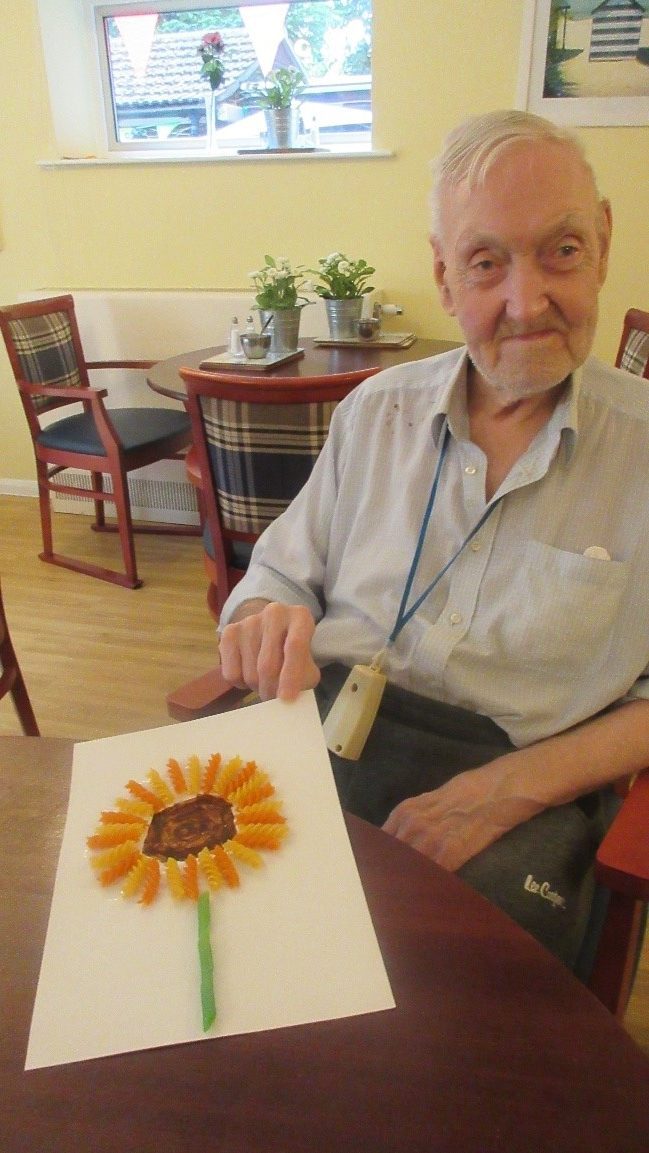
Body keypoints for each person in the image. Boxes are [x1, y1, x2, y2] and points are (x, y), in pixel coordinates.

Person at [217, 109, 649, 968]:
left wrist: (505, 791)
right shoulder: (372, 413)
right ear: (444, 276)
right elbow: (279, 575)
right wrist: (265, 616)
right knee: (212, 938)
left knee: (449, 991)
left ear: (602, 244)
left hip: (526, 784)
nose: (525, 302)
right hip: (319, 735)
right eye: (485, 262)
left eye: (561, 250)